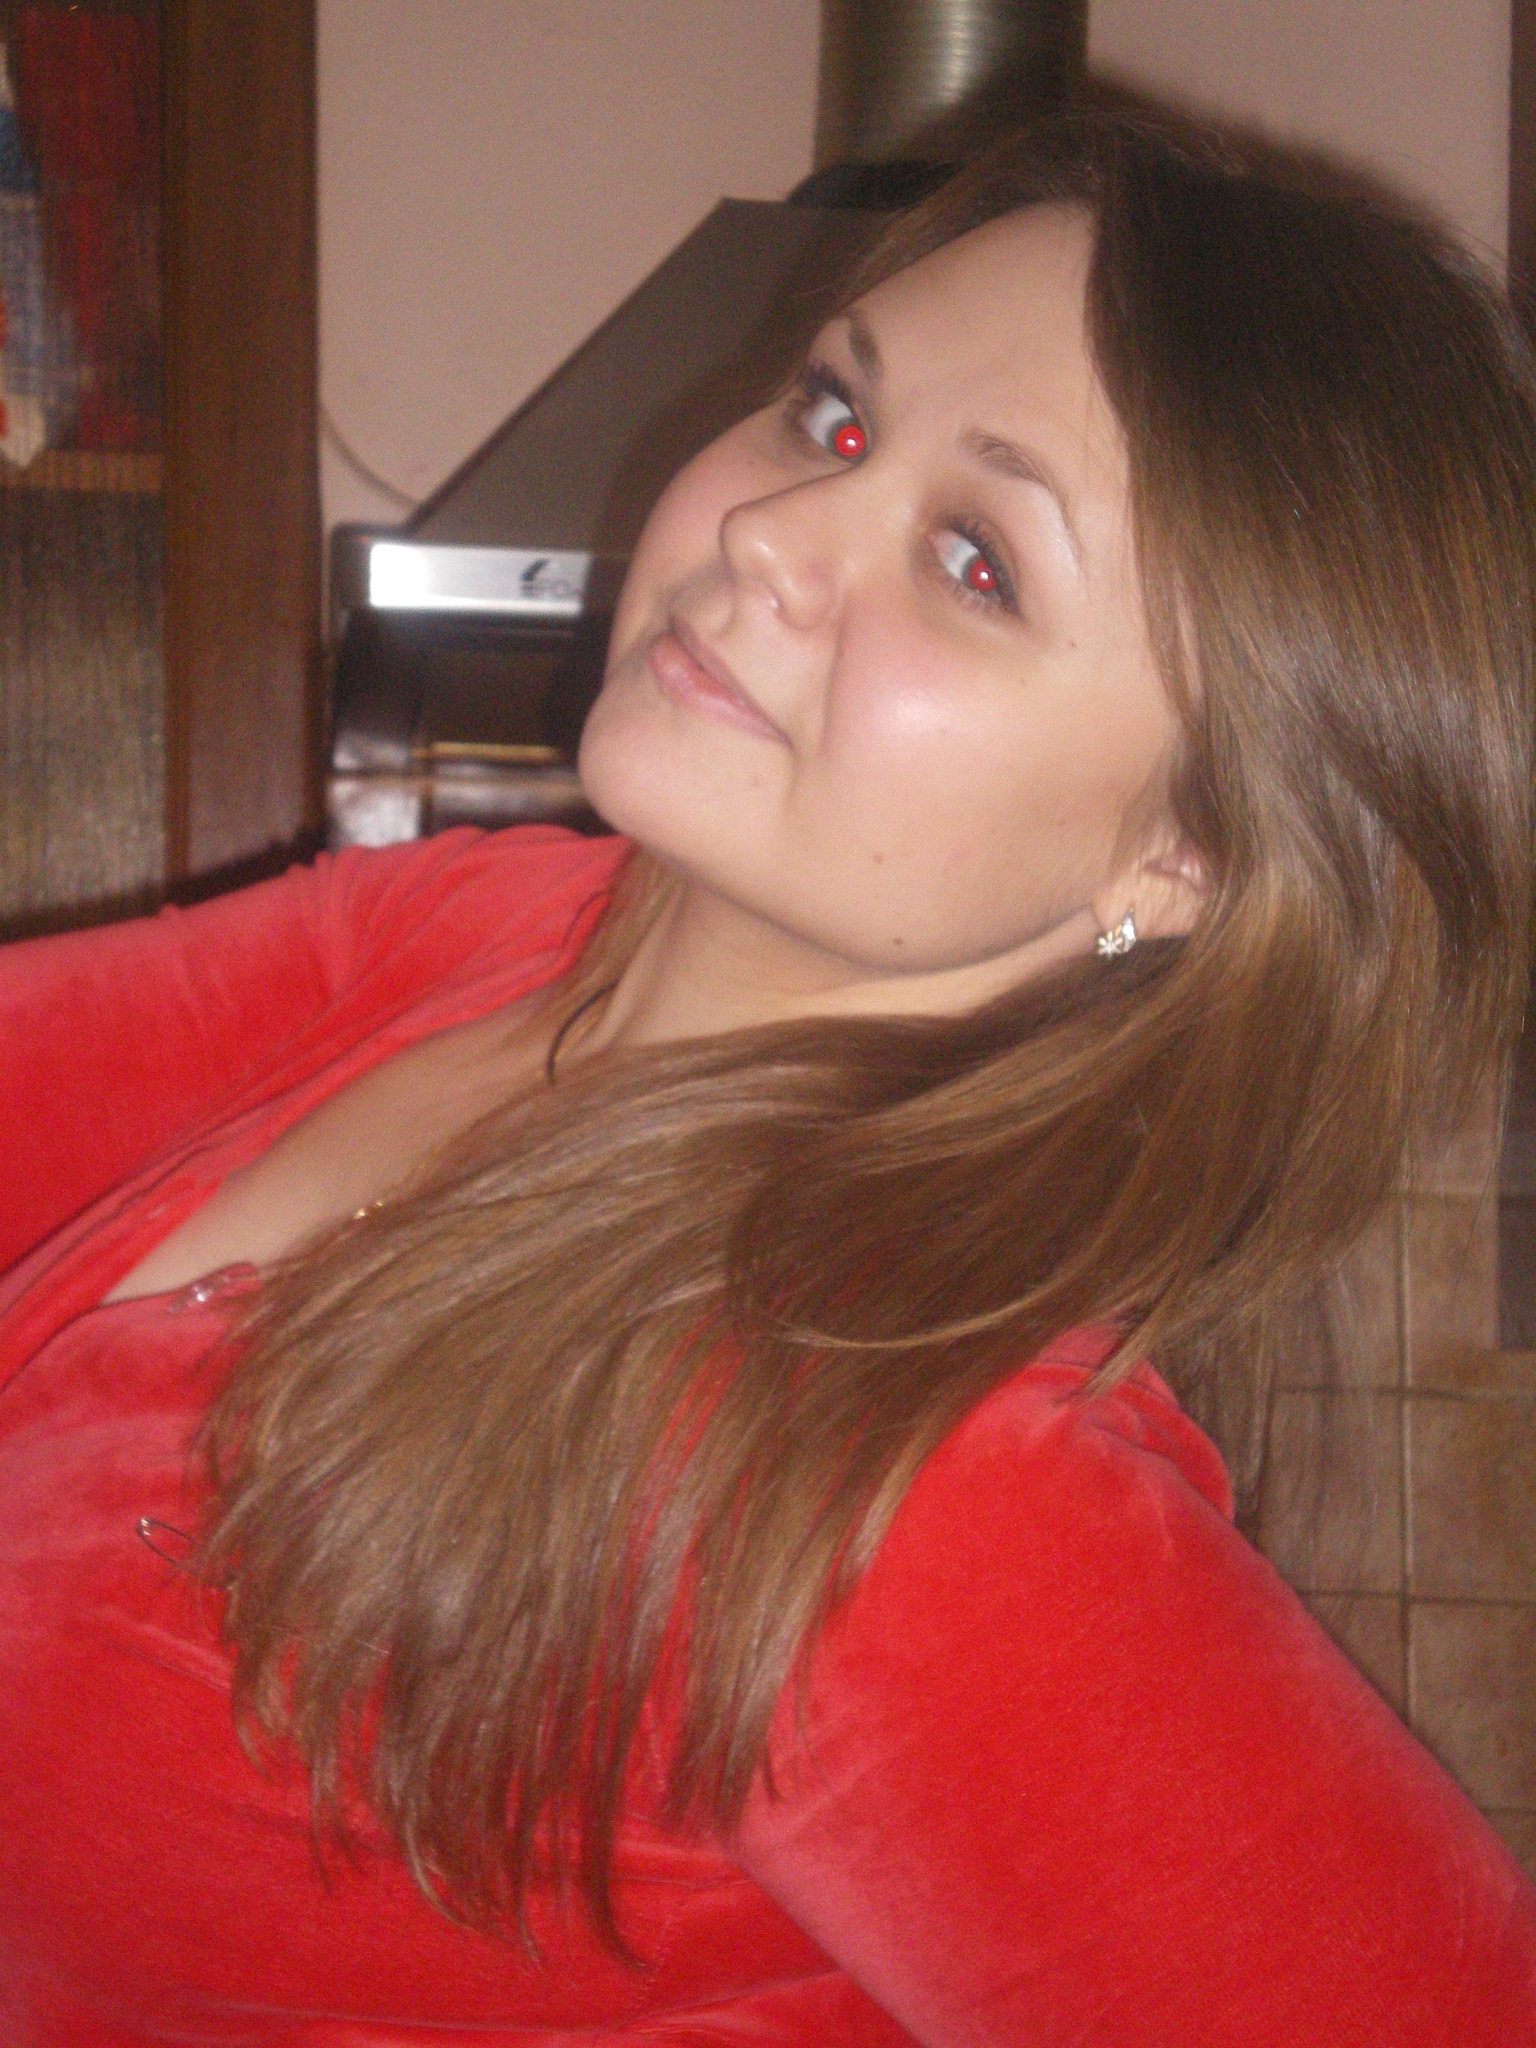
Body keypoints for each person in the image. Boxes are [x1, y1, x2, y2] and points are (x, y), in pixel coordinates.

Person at [1, 111, 1534, 2045]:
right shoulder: (499, 932)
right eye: (833, 417)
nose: (767, 533)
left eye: (976, 561)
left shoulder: (918, 1481)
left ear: (1187, 854)